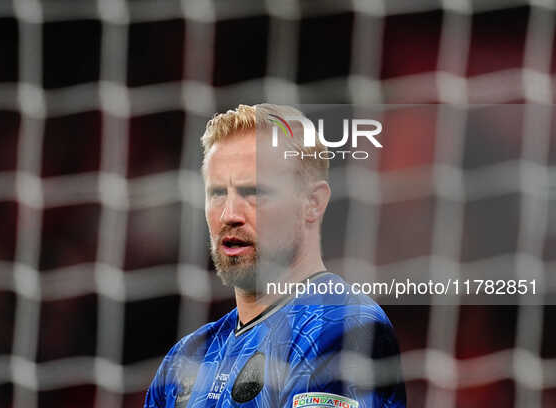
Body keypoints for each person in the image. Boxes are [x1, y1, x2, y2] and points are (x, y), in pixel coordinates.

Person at [144, 104, 406, 407]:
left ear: (312, 203)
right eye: (217, 193)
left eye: (254, 191)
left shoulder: (343, 324)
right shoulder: (186, 357)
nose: (229, 214)